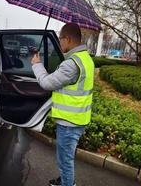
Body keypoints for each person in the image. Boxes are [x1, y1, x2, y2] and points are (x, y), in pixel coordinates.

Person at [31, 23, 94, 186]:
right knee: (66, 158)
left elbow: (46, 83)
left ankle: (67, 183)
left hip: (69, 122)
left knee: (65, 161)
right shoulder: (86, 59)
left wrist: (36, 65)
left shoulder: (72, 64)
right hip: (78, 119)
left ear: (67, 39)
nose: (60, 43)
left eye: (60, 39)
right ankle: (66, 180)